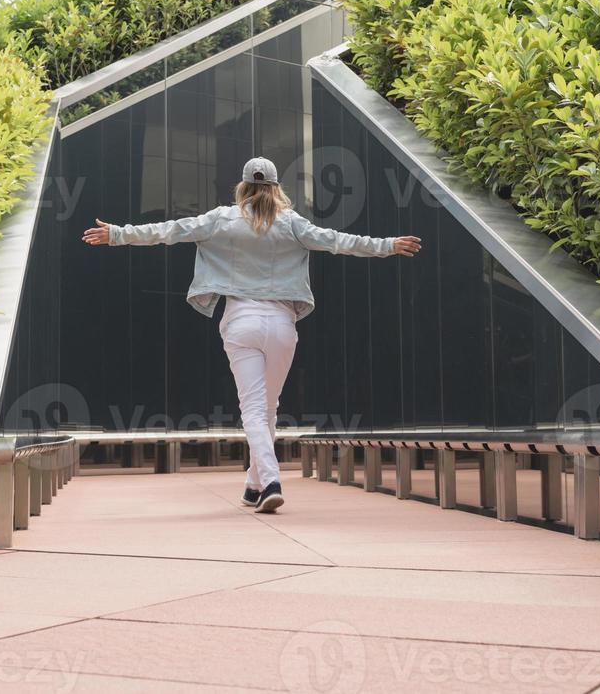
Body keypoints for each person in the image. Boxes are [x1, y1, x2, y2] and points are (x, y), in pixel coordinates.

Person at [82, 156, 421, 514]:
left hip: (241, 321)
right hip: (281, 325)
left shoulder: (220, 219)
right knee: (268, 409)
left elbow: (169, 231)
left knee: (254, 411)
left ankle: (270, 480)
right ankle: (253, 485)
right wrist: (388, 245)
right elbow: (338, 241)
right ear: (276, 188)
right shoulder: (291, 223)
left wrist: (118, 234)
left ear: (242, 186)